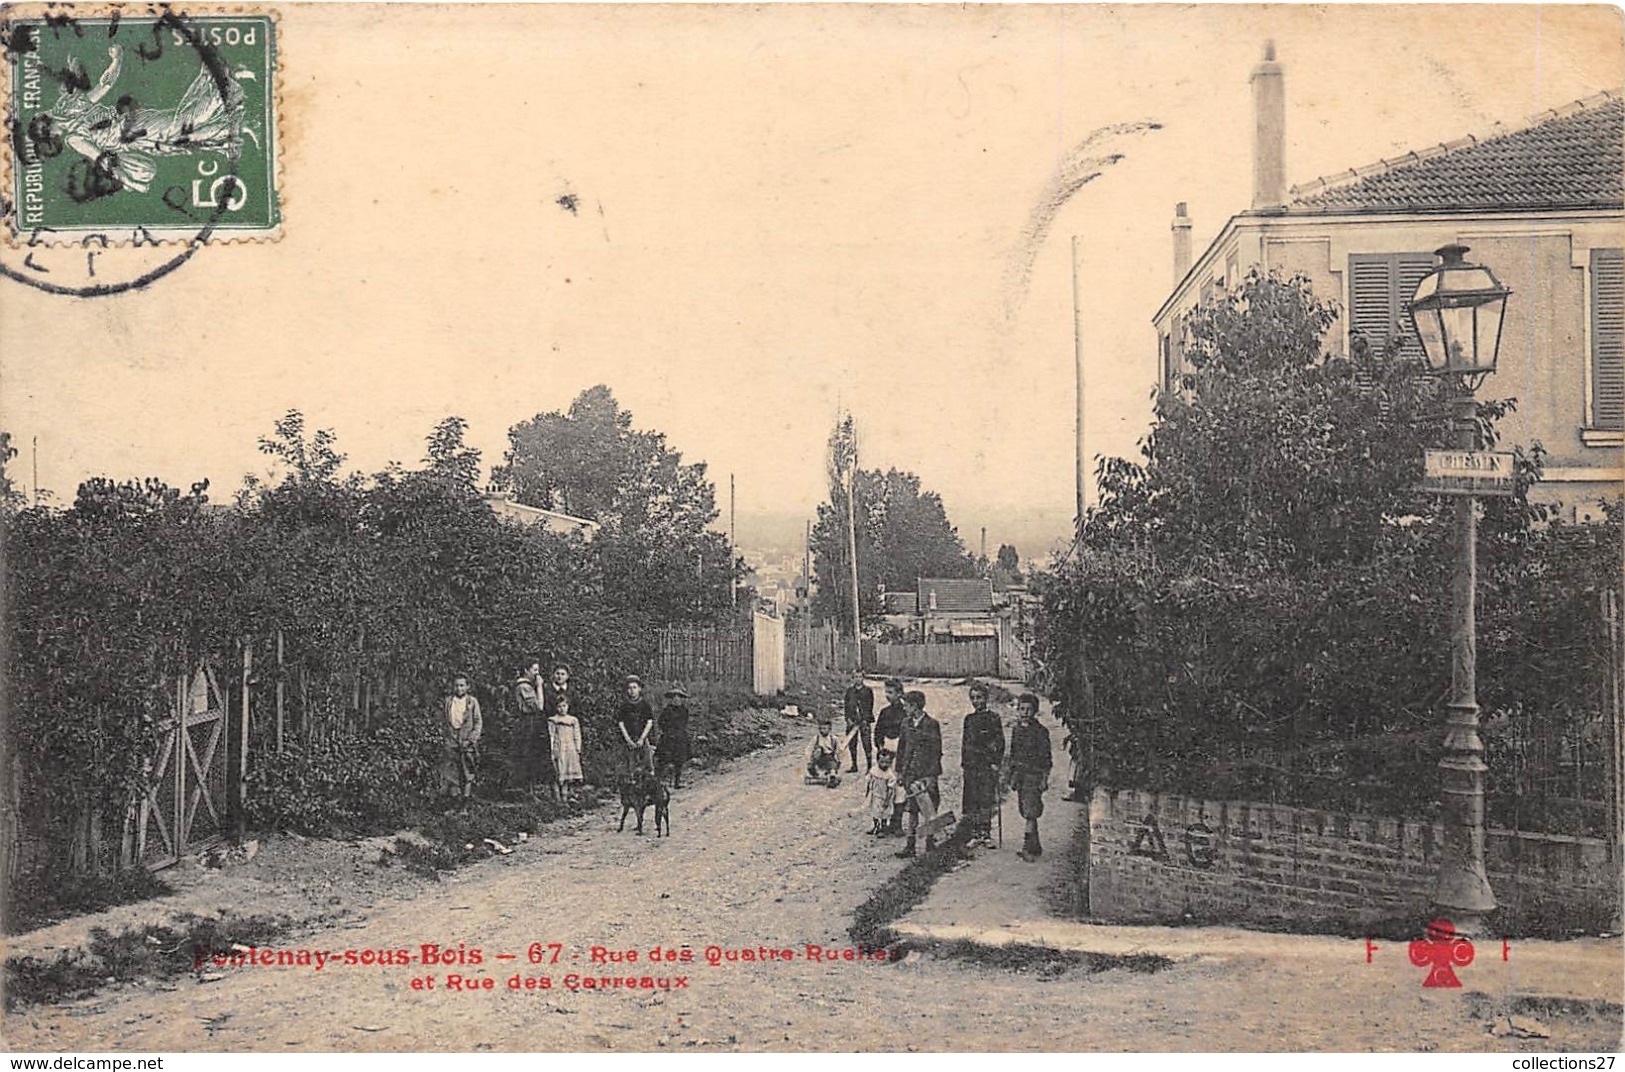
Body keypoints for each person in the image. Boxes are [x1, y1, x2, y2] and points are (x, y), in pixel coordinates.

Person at [894, 690, 943, 858]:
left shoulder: (932, 724)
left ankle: (930, 842)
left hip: (926, 774)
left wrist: (932, 776)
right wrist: (899, 771)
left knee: (929, 807)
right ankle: (910, 845)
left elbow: (937, 752)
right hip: (910, 774)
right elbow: (901, 749)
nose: (905, 709)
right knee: (912, 809)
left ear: (915, 706)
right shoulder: (906, 723)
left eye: (906, 706)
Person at [1004, 693, 1053, 861]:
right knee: (1025, 810)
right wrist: (1011, 775)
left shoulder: (1041, 732)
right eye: (1021, 709)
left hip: (1034, 775)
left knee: (1031, 811)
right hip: (1020, 775)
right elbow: (1013, 754)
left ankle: (1027, 848)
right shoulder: (1017, 730)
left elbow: (1047, 759)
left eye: (1028, 709)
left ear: (1035, 711)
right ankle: (1036, 845)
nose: (1024, 713)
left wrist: (1044, 778)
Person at [961, 682, 1006, 848]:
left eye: (979, 698)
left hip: (986, 765)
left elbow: (1000, 743)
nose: (976, 701)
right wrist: (964, 763)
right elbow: (965, 743)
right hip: (972, 765)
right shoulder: (969, 719)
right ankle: (975, 833)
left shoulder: (994, 718)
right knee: (972, 799)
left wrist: (996, 762)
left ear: (986, 699)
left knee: (986, 798)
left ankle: (986, 833)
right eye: (973, 698)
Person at [512, 660, 558, 800]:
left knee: (538, 755)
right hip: (529, 723)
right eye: (534, 670)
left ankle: (544, 792)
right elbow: (539, 706)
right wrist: (539, 687)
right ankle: (530, 793)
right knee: (530, 755)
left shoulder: (528, 686)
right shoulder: (524, 686)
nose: (537, 673)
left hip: (534, 722)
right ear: (526, 670)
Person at [438, 675, 483, 800]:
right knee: (452, 770)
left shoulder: (472, 702)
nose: (459, 688)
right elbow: (444, 720)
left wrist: (471, 739)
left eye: (462, 685)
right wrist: (446, 736)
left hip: (467, 740)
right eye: (456, 685)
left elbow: (478, 722)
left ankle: (465, 800)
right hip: (452, 739)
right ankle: (454, 800)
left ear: (467, 687)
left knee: (467, 769)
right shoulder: (448, 701)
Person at [874, 679, 908, 832]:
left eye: (891, 692)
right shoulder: (885, 712)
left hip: (900, 753)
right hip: (886, 754)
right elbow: (878, 732)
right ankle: (881, 823)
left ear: (900, 693)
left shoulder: (906, 712)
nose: (888, 695)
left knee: (899, 788)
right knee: (883, 788)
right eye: (886, 692)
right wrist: (881, 750)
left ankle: (897, 823)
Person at [615, 675, 656, 783]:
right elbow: (621, 723)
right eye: (629, 688)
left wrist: (642, 738)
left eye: (634, 687)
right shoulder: (624, 706)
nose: (632, 691)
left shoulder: (645, 705)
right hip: (629, 738)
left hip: (642, 737)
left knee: (647, 760)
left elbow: (649, 721)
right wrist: (628, 740)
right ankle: (632, 785)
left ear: (639, 689)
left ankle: (649, 784)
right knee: (629, 763)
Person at [548, 693, 584, 804]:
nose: (562, 709)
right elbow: (552, 735)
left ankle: (566, 797)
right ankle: (558, 798)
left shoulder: (573, 720)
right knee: (559, 771)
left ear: (568, 706)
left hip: (570, 748)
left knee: (568, 774)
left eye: (564, 706)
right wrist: (552, 750)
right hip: (560, 748)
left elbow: (577, 734)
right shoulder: (553, 720)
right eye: (559, 706)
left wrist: (578, 748)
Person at [655, 686, 693, 789]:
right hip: (668, 737)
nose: (676, 699)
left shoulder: (684, 710)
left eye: (679, 697)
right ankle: (658, 783)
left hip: (680, 737)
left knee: (679, 760)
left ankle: (677, 782)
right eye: (674, 697)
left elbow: (685, 722)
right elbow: (660, 722)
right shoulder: (666, 710)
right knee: (663, 759)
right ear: (671, 699)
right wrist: (667, 731)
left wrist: (679, 731)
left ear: (681, 699)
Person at [842, 673, 875, 773]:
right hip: (852, 721)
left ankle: (869, 766)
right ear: (853, 678)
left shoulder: (868, 691)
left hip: (864, 721)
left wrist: (865, 719)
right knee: (852, 744)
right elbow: (846, 706)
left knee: (866, 743)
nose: (858, 679)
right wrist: (847, 719)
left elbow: (870, 706)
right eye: (856, 677)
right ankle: (854, 765)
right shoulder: (850, 691)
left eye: (860, 677)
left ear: (863, 678)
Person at [864, 745, 899, 836]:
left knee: (884, 814)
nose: (884, 764)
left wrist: (887, 800)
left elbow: (891, 789)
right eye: (882, 762)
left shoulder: (889, 775)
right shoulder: (873, 770)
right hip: (875, 795)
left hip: (884, 796)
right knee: (874, 812)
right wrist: (868, 793)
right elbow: (869, 781)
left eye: (887, 762)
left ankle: (883, 829)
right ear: (877, 761)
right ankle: (876, 826)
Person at [804, 714, 842, 785]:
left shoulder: (833, 739)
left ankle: (832, 777)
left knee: (832, 765)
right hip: (819, 758)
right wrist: (809, 761)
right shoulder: (816, 738)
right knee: (818, 749)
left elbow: (838, 751)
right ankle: (816, 774)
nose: (822, 731)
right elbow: (808, 750)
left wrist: (839, 761)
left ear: (829, 729)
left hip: (829, 759)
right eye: (820, 728)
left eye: (824, 729)